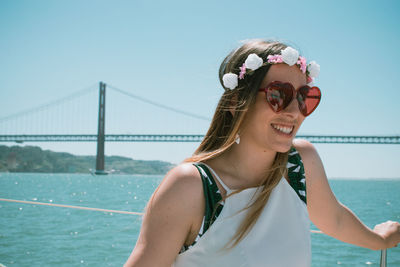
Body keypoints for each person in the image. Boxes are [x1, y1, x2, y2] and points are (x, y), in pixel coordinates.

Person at [124, 39, 400, 267]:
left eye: (304, 97)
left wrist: (382, 240)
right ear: (235, 102)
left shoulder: (300, 164)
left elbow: (335, 219)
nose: (294, 112)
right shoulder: (191, 186)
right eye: (278, 95)